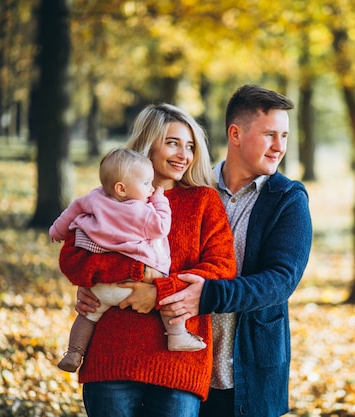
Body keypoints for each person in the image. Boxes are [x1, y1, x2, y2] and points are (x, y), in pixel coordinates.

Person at [58, 103, 237, 417]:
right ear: (147, 143)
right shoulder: (107, 198)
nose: (184, 154)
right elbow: (73, 258)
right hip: (113, 357)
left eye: (191, 146)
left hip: (179, 363)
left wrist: (159, 291)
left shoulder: (204, 201)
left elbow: (222, 268)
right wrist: (130, 272)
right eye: (172, 143)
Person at [158, 84, 313, 417]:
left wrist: (211, 295)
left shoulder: (288, 200)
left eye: (284, 136)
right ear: (235, 134)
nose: (279, 147)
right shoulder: (191, 188)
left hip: (248, 368)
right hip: (178, 364)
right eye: (270, 134)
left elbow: (281, 280)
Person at [50, 147, 207, 373]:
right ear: (121, 188)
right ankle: (177, 336)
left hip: (102, 288)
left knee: (88, 315)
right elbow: (161, 227)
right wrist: (160, 201)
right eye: (146, 184)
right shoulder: (139, 210)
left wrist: (57, 230)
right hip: (140, 278)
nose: (151, 188)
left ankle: (74, 352)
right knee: (169, 298)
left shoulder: (94, 198)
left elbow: (72, 209)